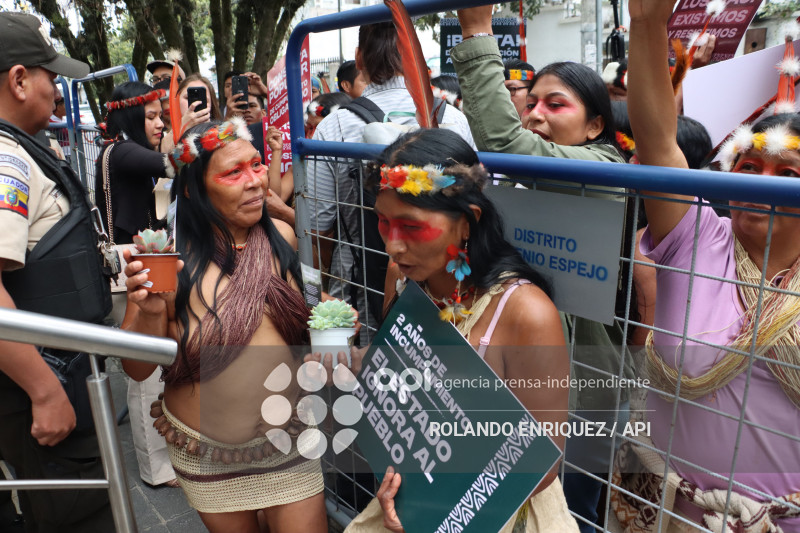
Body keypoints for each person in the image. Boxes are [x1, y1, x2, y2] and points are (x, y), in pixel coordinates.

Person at [616, 0, 800, 531]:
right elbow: (657, 142)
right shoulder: (695, 236)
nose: (758, 183)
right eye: (747, 167)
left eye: (786, 172)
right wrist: (649, 22)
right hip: (669, 513)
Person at [343, 128, 577, 533]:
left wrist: (435, 508)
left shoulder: (525, 314)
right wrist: (355, 362)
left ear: (468, 222)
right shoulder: (402, 278)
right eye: (382, 222)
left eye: (412, 227)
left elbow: (541, 467)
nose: (392, 247)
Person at [121, 119, 327, 533]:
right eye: (233, 172)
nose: (254, 181)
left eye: (256, 165)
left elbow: (308, 327)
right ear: (194, 188)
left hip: (289, 441)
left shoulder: (282, 237)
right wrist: (150, 311)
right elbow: (137, 369)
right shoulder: (167, 262)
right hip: (207, 453)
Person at [0, 11, 115, 531]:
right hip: (37, 386)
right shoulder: (6, 160)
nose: (56, 88)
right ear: (20, 80)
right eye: (50, 75)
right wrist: (45, 390)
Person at [307, 21, 475, 338]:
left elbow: (319, 230)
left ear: (359, 59)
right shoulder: (451, 118)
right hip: (443, 295)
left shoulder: (333, 128)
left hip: (357, 295)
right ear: (414, 54)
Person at [94, 81, 169, 245]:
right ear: (131, 118)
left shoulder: (129, 148)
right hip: (124, 259)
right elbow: (168, 164)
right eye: (151, 117)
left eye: (160, 116)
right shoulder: (121, 151)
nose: (160, 124)